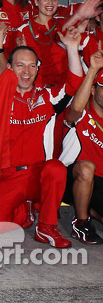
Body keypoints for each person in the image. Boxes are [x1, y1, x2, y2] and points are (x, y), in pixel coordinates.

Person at [0, 43, 84, 248]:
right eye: (20, 65)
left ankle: (46, 227)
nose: (26, 72)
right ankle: (24, 210)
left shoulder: (47, 97)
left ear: (37, 69)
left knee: (56, 168)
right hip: (7, 177)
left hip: (38, 175)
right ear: (8, 68)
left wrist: (71, 47)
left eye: (32, 66)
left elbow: (74, 81)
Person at [61, 45, 103, 244]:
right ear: (94, 91)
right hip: (73, 177)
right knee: (87, 168)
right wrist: (93, 70)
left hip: (100, 185)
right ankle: (81, 222)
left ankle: (92, 211)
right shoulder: (83, 113)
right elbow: (75, 108)